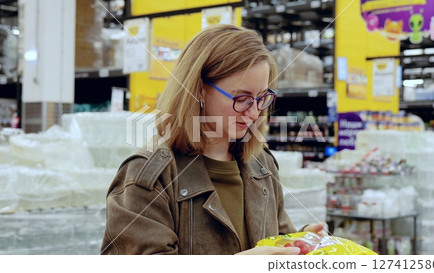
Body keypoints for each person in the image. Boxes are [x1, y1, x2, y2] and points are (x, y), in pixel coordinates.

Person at [101, 24, 325, 255]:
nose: (254, 112)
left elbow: (274, 238)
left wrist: (300, 243)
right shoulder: (147, 177)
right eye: (242, 97)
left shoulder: (262, 166)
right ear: (198, 89)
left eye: (262, 98)